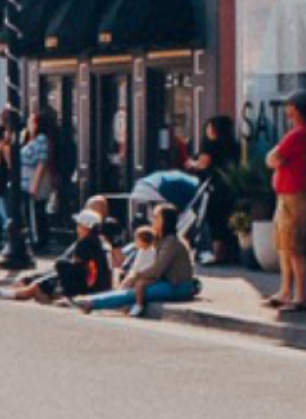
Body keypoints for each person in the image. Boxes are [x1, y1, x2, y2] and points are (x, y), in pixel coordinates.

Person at [72, 205, 199, 316]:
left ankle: (92, 303)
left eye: (156, 218)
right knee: (134, 287)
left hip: (178, 287)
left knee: (133, 292)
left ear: (164, 221)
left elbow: (157, 269)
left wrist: (137, 277)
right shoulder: (164, 240)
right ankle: (92, 300)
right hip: (168, 283)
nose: (153, 221)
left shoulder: (171, 242)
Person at [0, 209, 110, 303]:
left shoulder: (84, 245)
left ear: (86, 227)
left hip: (83, 288)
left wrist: (60, 270)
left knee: (36, 286)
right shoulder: (99, 243)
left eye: (79, 225)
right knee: (34, 280)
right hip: (96, 287)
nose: (77, 228)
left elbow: (78, 269)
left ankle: (0, 293)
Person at [266, 91, 306, 313]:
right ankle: (285, 291)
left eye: (291, 111)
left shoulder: (298, 135)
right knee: (285, 245)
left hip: (295, 196)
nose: (288, 116)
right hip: (289, 195)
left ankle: (299, 295)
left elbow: (272, 159)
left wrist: (276, 157)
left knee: (294, 246)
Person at [186, 116, 242, 265]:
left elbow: (203, 164)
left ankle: (217, 254)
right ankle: (229, 253)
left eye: (210, 127)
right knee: (225, 219)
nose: (207, 130)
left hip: (214, 187)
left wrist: (192, 163)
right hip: (230, 186)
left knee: (214, 220)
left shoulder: (209, 144)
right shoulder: (233, 144)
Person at [21, 109, 62, 250]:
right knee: (32, 211)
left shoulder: (41, 139)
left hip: (35, 181)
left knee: (35, 212)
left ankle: (38, 240)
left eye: (31, 121)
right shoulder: (31, 139)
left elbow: (42, 162)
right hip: (27, 180)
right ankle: (35, 238)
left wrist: (34, 185)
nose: (29, 124)